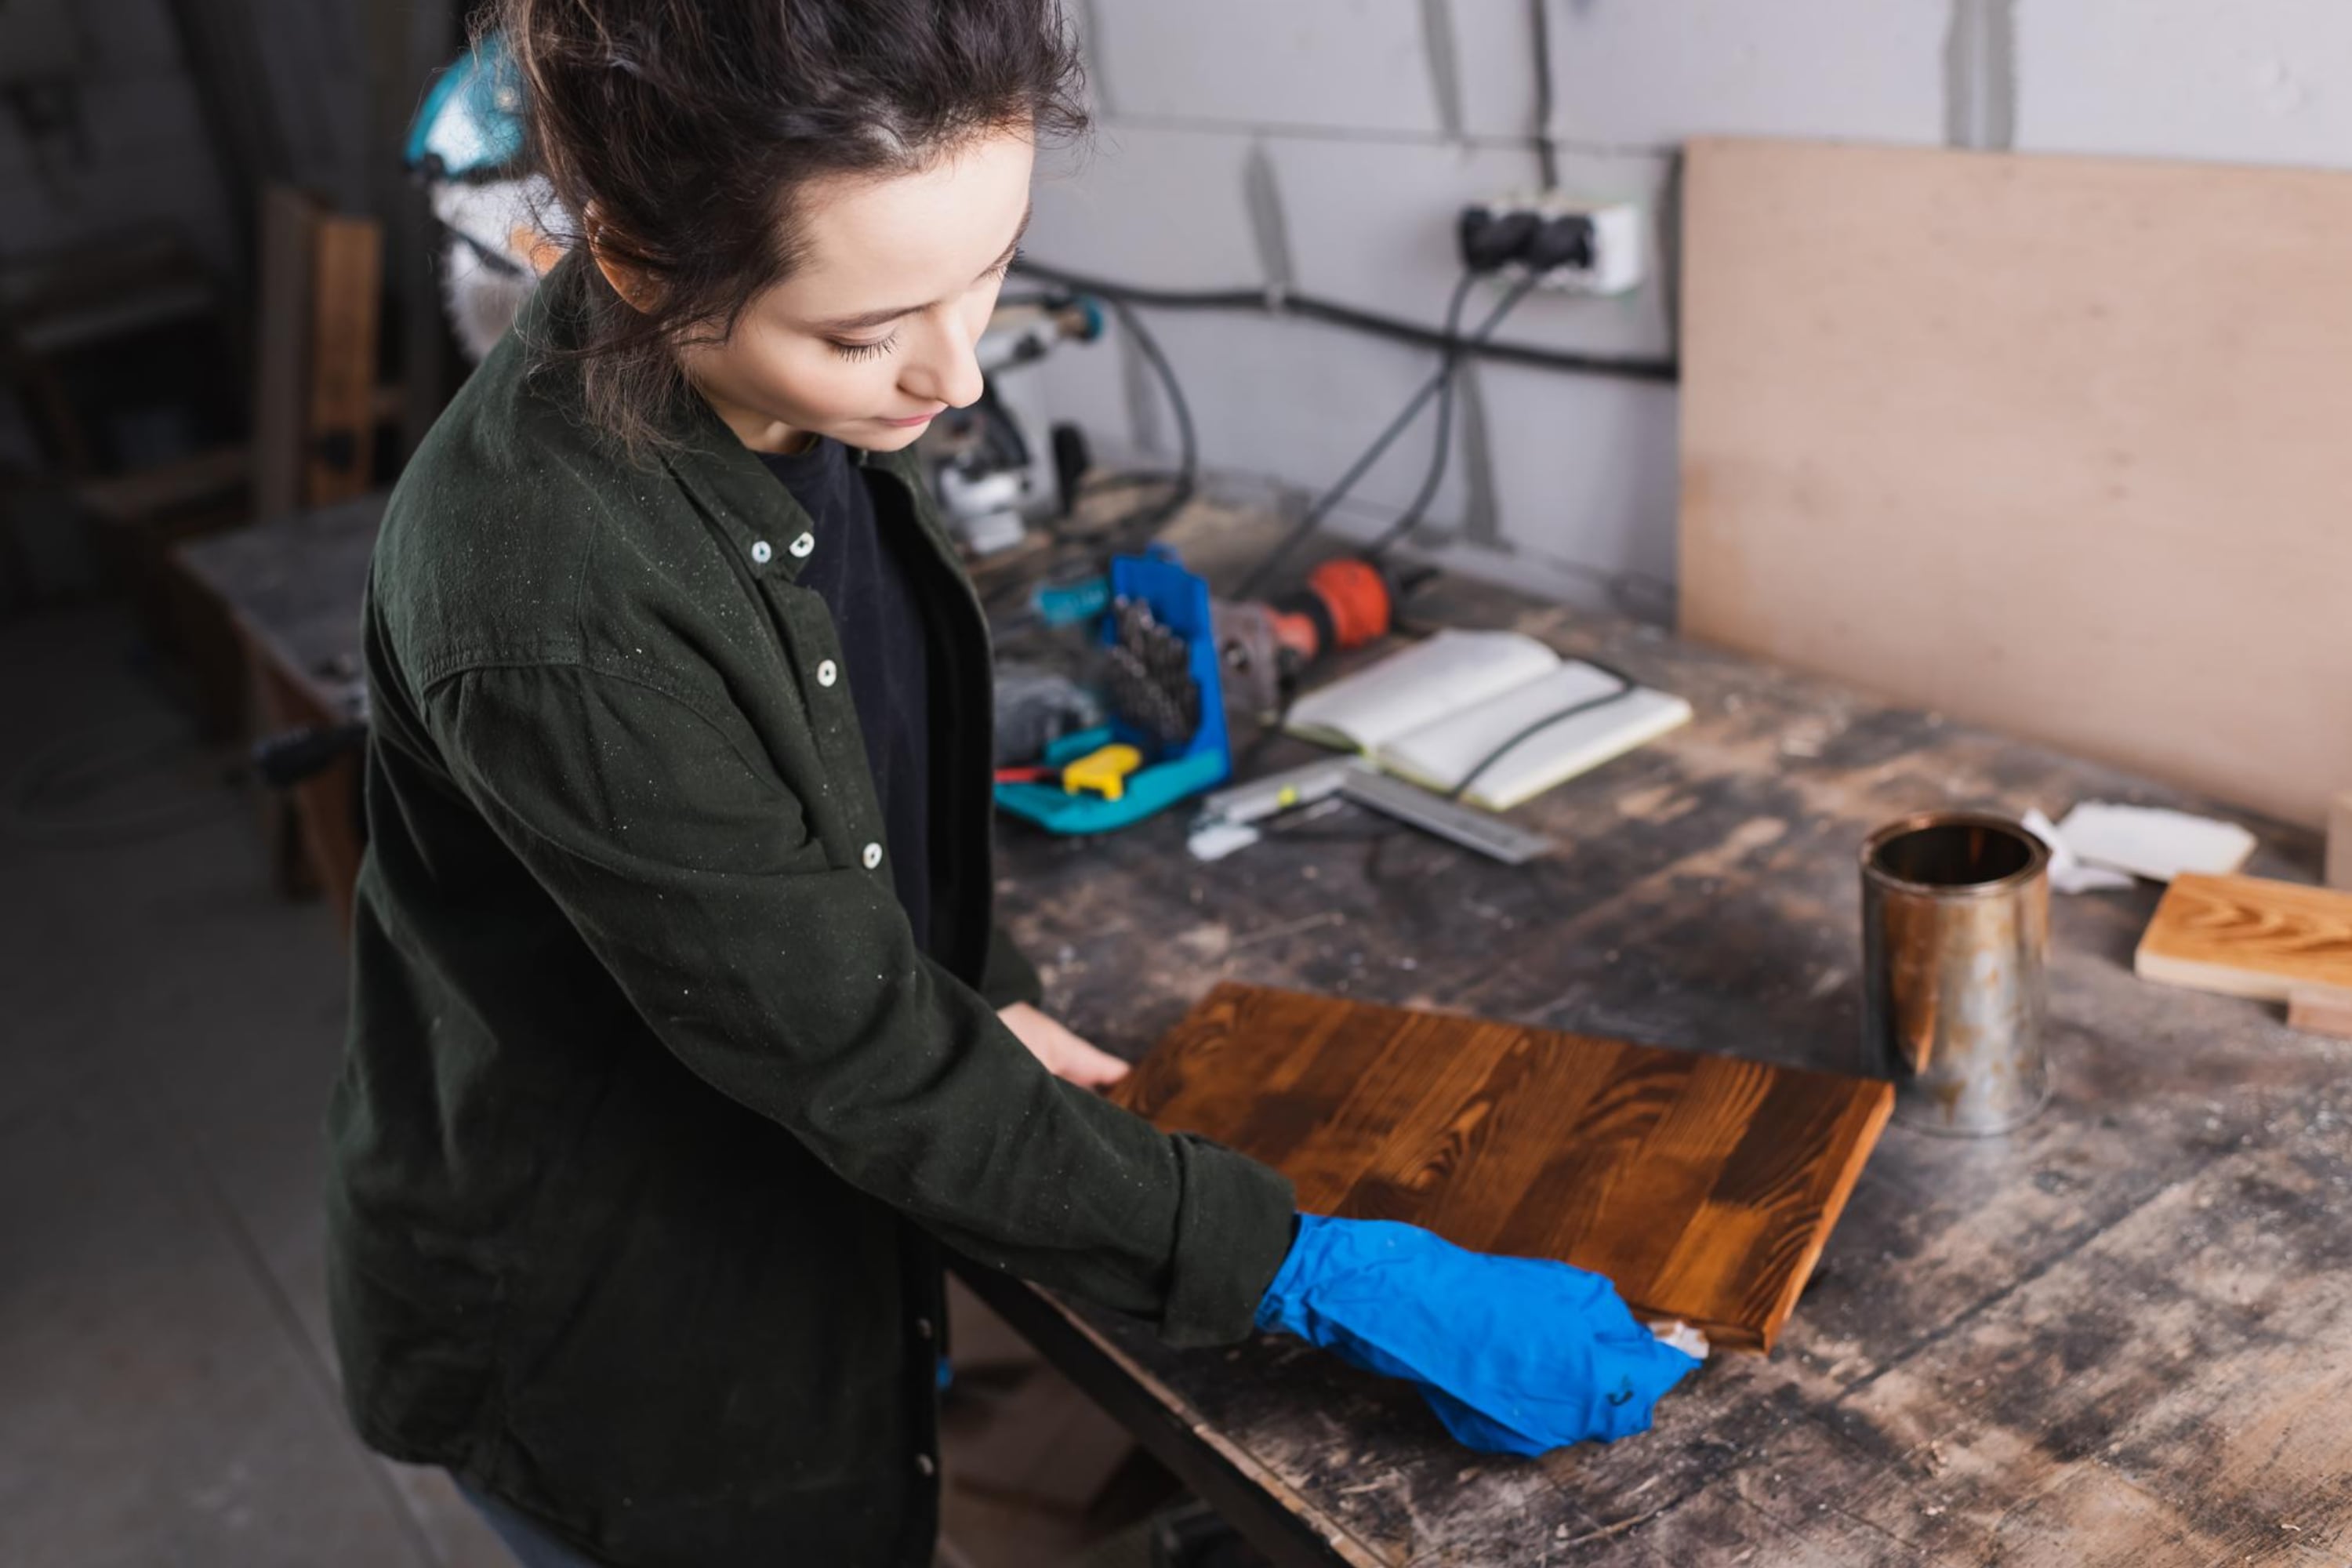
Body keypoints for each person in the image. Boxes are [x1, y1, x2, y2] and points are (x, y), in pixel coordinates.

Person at [325, 5, 1700, 1566]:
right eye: (866, 331)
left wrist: (979, 977)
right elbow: (858, 1065)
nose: (956, 371)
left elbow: (863, 767)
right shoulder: (552, 608)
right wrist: (1308, 1271)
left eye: (990, 271)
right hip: (624, 1323)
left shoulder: (804, 376)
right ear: (639, 263)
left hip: (794, 1195)